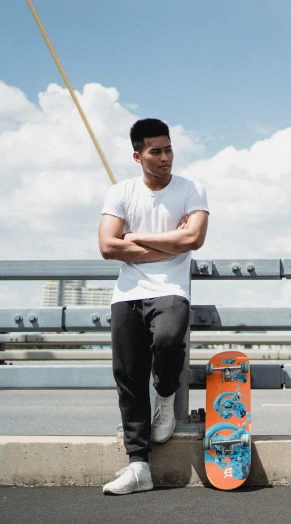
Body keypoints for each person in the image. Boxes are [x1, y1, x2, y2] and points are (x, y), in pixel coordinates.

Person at [98, 118, 209, 495]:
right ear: (138, 155)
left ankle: (164, 395)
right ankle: (138, 466)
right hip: (127, 295)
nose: (165, 158)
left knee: (168, 341)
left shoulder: (191, 189)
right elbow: (107, 247)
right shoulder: (120, 192)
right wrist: (170, 241)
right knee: (129, 378)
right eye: (155, 151)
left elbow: (194, 238)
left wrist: (136, 236)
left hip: (171, 291)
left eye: (169, 149)